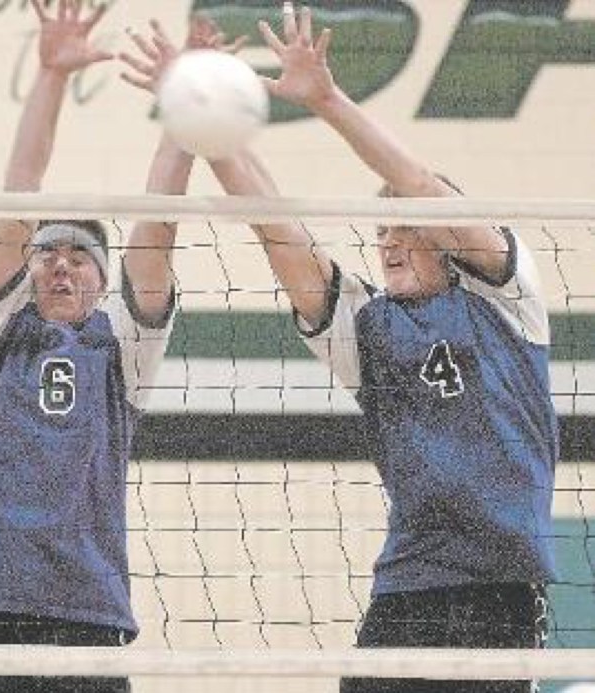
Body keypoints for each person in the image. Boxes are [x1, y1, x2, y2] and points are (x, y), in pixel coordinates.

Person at [175, 4, 552, 692]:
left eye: (406, 226)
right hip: (408, 590)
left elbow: (422, 186)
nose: (389, 241)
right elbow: (278, 230)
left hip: (497, 592)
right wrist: (208, 126)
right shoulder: (367, 327)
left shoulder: (507, 295)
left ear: (449, 237)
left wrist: (326, 99)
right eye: (381, 230)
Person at [0, 3, 232, 692]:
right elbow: (18, 199)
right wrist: (51, 76)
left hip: (88, 617)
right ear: (28, 267)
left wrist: (185, 111)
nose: (62, 267)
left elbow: (156, 229)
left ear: (102, 279)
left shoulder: (123, 345)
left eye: (79, 258)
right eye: (48, 254)